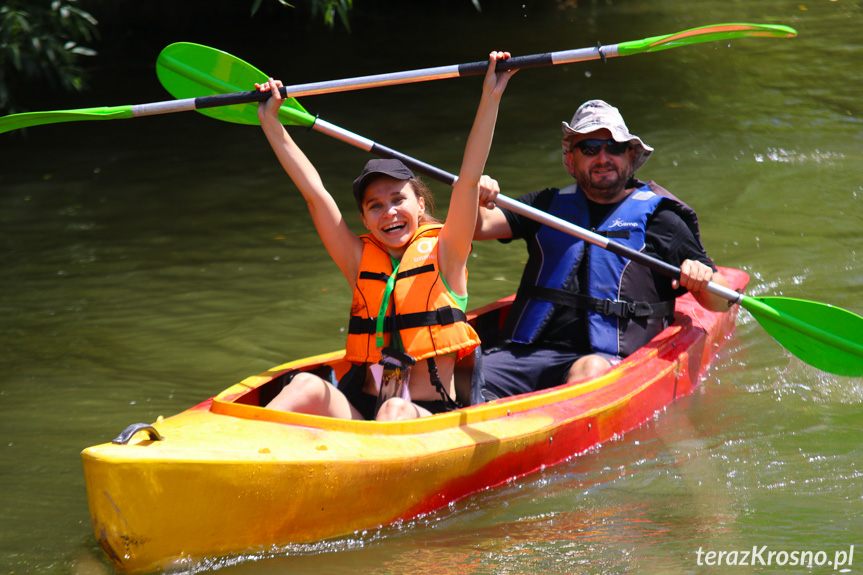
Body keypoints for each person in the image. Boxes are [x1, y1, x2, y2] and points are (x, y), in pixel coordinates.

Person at [256, 52, 514, 421]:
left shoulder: (447, 252)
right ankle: (234, 458)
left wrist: (491, 96)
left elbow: (469, 179)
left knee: (394, 409)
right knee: (304, 385)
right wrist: (271, 123)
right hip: (364, 413)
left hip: (426, 419)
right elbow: (315, 195)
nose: (389, 212)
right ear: (364, 217)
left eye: (398, 199)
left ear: (420, 204)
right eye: (375, 206)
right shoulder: (359, 259)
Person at [473, 99, 731, 401]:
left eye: (615, 147)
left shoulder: (663, 220)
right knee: (459, 377)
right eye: (590, 148)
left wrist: (702, 279)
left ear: (630, 156)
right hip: (524, 355)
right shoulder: (545, 205)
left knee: (591, 369)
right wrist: (472, 193)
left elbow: (721, 301)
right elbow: (477, 228)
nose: (603, 157)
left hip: (604, 362)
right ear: (571, 161)